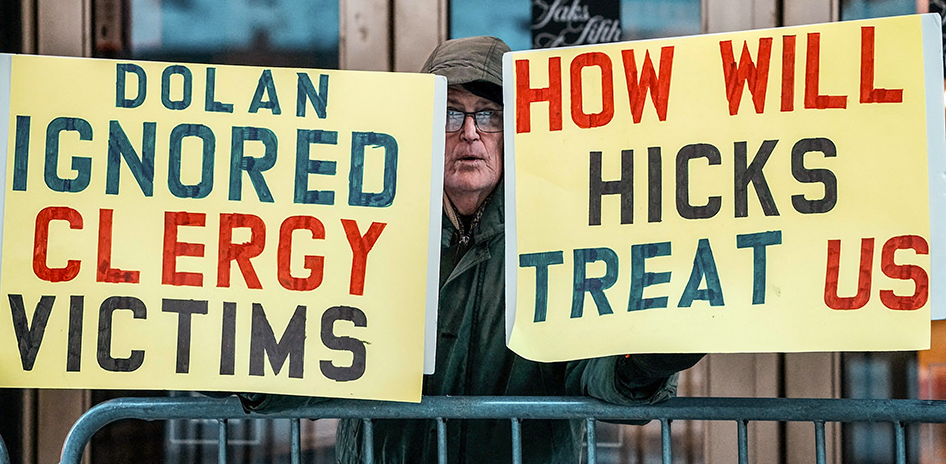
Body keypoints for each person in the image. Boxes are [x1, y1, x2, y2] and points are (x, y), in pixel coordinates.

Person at [241, 36, 703, 463]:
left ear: (516, 131)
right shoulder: (364, 232)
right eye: (449, 113)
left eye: (489, 115)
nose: (469, 133)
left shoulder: (558, 239)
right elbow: (304, 368)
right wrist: (231, 360)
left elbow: (596, 369)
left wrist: (646, 363)